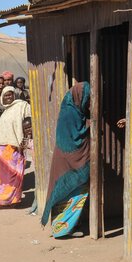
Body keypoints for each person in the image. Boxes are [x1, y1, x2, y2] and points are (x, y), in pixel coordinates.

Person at [41, 82, 91, 238]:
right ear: (79, 97)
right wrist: (91, 124)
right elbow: (73, 139)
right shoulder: (70, 113)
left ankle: (64, 226)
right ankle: (62, 229)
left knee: (68, 194)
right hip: (69, 161)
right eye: (87, 98)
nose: (88, 102)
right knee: (74, 190)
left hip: (65, 159)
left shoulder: (74, 110)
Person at [0, 86, 31, 206]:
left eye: (10, 94)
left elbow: (28, 122)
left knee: (14, 175)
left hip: (15, 147)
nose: (8, 97)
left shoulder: (22, 105)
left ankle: (13, 200)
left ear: (14, 95)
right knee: (3, 177)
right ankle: (2, 200)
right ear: (2, 98)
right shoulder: (5, 111)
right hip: (2, 148)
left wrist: (25, 141)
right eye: (6, 95)